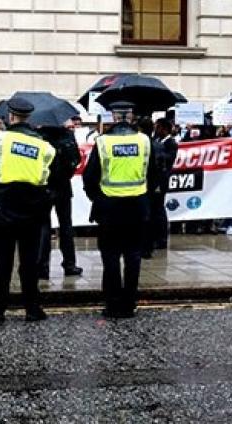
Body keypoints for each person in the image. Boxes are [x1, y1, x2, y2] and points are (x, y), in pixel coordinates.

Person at [83, 101, 159, 318]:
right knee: (134, 256)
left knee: (110, 257)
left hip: (109, 208)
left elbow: (90, 177)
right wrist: (143, 194)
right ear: (132, 117)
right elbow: (154, 174)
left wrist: (97, 198)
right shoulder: (144, 141)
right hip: (137, 207)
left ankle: (113, 304)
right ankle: (129, 304)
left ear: (114, 117)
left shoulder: (103, 142)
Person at [0, 98, 57, 322]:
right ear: (28, 118)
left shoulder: (1, 140)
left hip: (3, 207)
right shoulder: (44, 145)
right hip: (32, 210)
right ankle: (32, 309)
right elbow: (50, 181)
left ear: (12, 117)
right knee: (29, 263)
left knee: (3, 262)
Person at [37, 120, 83, 279]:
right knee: (66, 226)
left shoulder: (39, 137)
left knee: (44, 226)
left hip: (45, 186)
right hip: (63, 185)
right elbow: (76, 159)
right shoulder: (68, 136)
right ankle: (70, 264)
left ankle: (42, 267)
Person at [143, 118, 178, 257]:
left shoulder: (171, 143)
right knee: (155, 209)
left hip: (161, 180)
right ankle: (155, 236)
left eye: (157, 128)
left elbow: (168, 159)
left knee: (159, 210)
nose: (155, 130)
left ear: (164, 129)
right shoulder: (157, 142)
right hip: (154, 179)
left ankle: (162, 238)